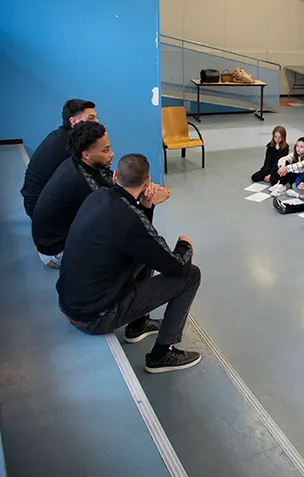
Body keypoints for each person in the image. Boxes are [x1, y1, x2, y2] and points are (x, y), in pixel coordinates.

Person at [56, 154, 202, 374]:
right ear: (147, 182)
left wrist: (146, 205)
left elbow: (139, 238)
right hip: (94, 318)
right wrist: (185, 245)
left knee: (144, 254)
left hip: (72, 304)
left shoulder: (98, 196)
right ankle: (162, 354)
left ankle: (138, 325)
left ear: (115, 176)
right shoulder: (130, 220)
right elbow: (176, 266)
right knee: (191, 274)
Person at [31, 121, 116, 268]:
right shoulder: (79, 180)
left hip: (51, 240)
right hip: (55, 251)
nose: (111, 154)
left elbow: (111, 181)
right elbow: (113, 216)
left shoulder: (78, 162)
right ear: (86, 154)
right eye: (105, 150)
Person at [21, 98, 98, 217]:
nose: (97, 122)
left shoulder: (59, 136)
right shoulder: (68, 146)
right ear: (73, 121)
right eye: (90, 118)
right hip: (39, 209)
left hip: (35, 201)